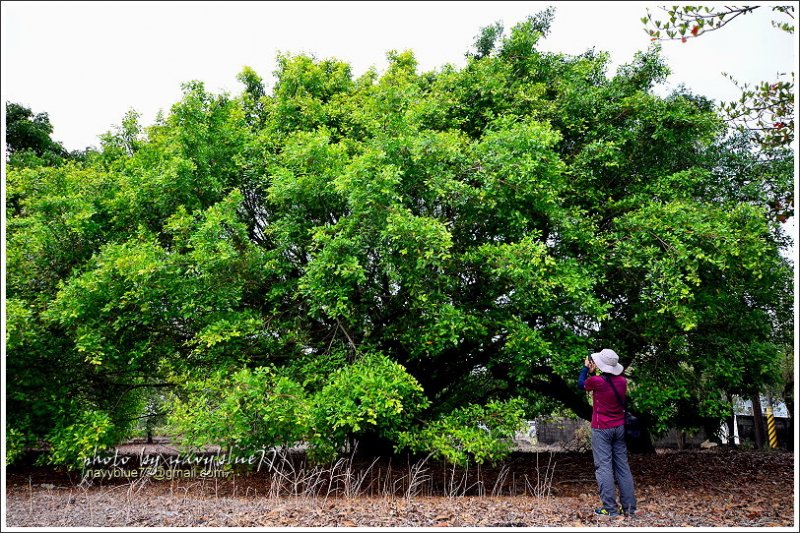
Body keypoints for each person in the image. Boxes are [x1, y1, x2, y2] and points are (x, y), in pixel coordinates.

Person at [577, 348, 637, 518]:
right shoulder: (622, 382)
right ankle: (630, 508)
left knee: (604, 467)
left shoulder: (597, 381)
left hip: (601, 429)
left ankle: (610, 509)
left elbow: (581, 384)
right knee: (623, 467)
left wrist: (586, 368)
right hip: (619, 428)